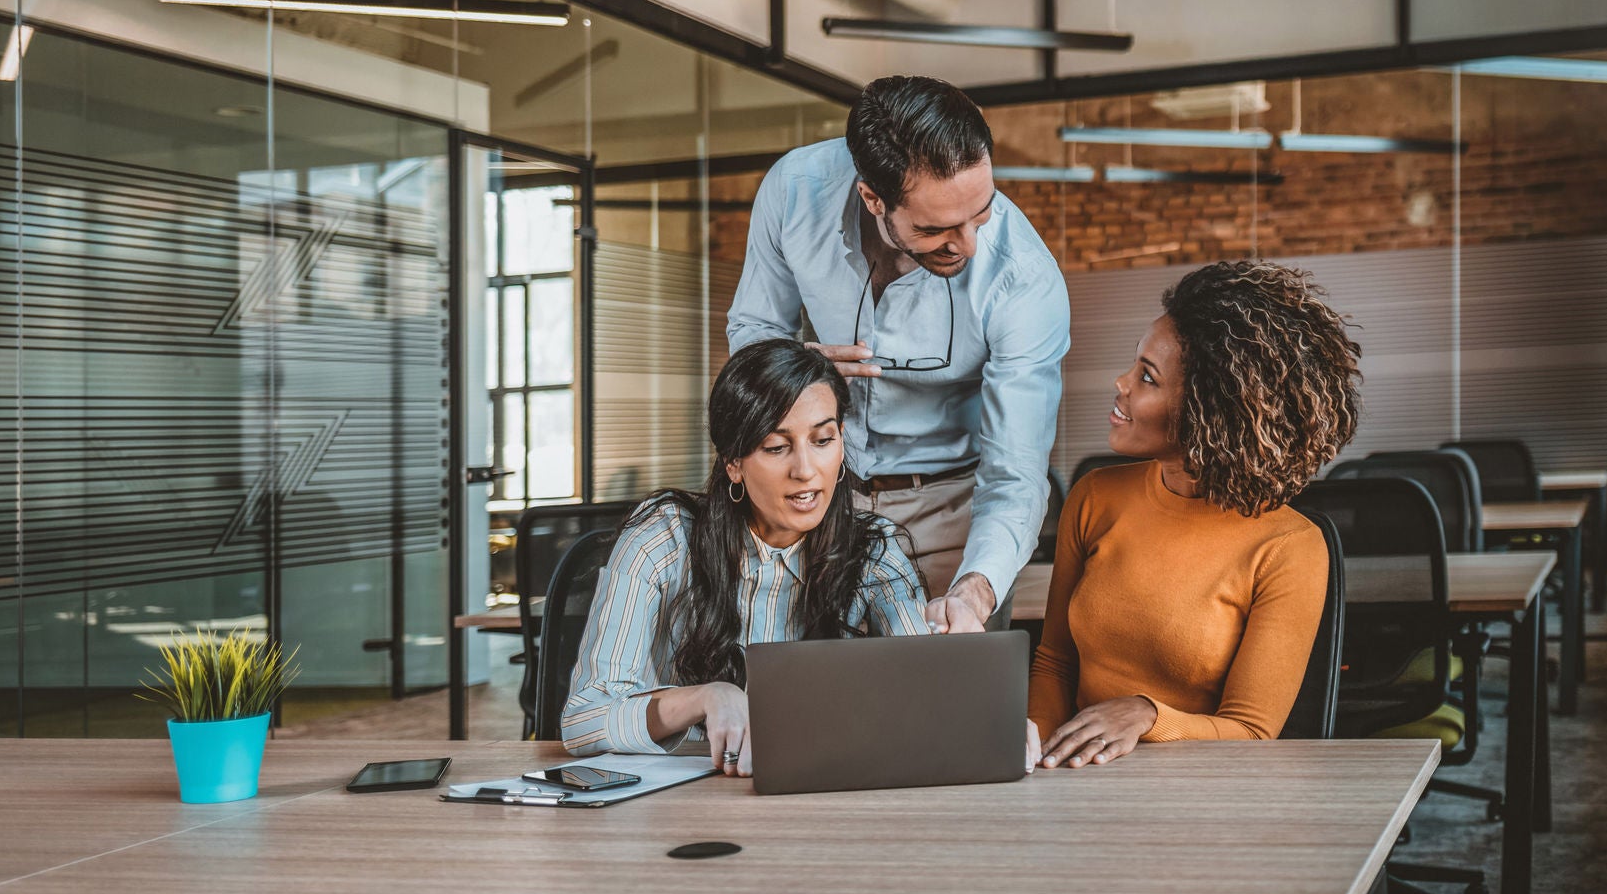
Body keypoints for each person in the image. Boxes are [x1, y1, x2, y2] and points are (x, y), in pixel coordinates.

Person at [561, 340, 1034, 774]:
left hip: (819, 799)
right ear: (733, 463)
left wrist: (994, 722)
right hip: (683, 805)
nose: (806, 471)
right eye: (776, 447)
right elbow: (584, 719)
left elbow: (927, 694)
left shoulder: (875, 549)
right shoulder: (663, 538)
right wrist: (705, 698)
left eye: (823, 440)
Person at [726, 76, 1070, 635]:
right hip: (818, 499)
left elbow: (1016, 474)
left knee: (944, 713)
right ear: (872, 197)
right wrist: (791, 372)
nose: (967, 245)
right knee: (806, 701)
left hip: (952, 512)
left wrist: (975, 590)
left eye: (980, 214)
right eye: (936, 228)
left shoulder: (1022, 279)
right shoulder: (795, 191)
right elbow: (756, 327)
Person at [1029, 261, 1362, 768]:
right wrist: (1036, 757)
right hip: (1079, 779)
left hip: (1204, 794)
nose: (1121, 383)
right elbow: (1054, 664)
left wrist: (1147, 715)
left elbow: (1252, 731)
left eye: (1147, 377)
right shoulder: (1094, 497)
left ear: (1209, 413)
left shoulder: (1288, 547)